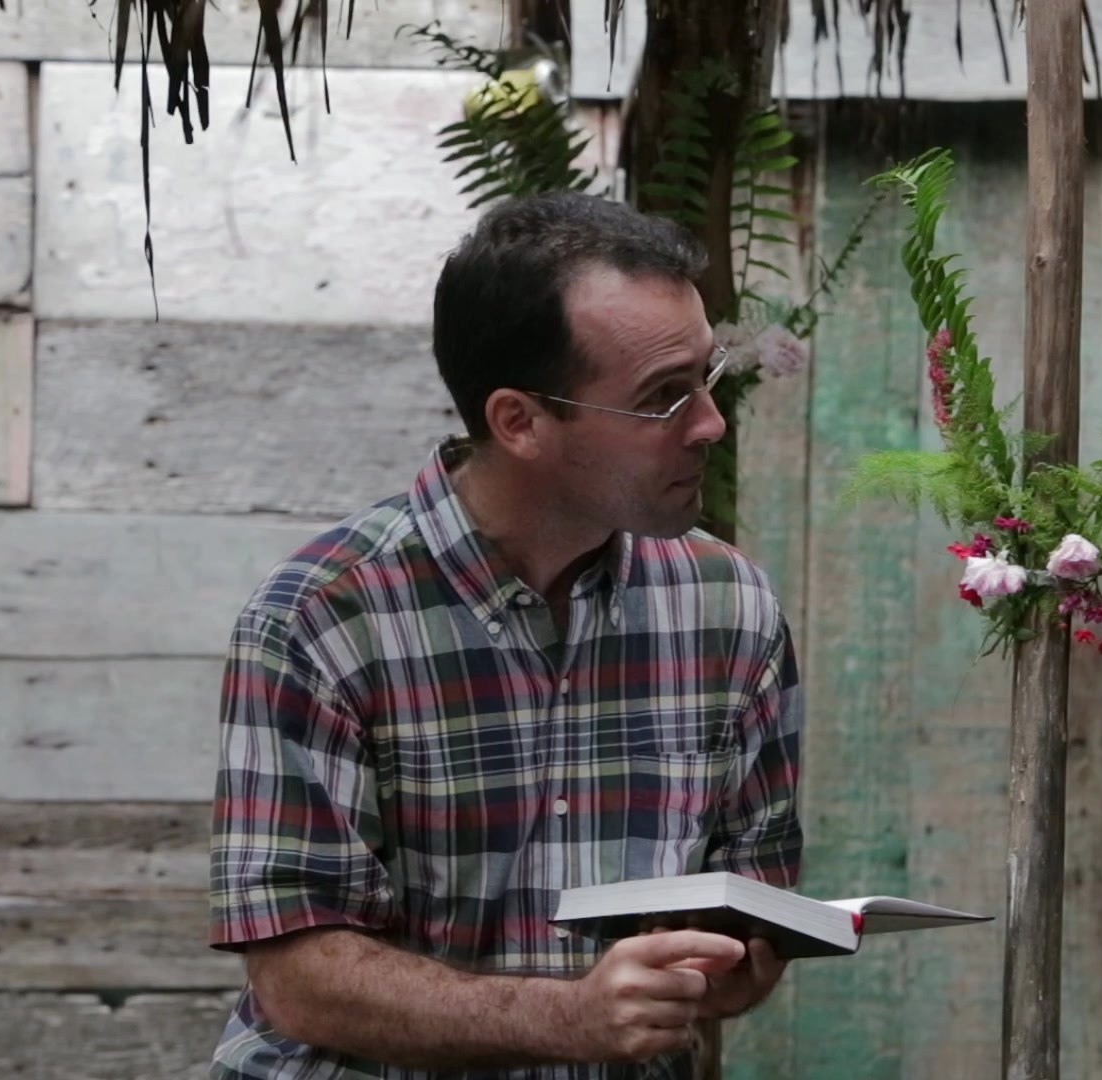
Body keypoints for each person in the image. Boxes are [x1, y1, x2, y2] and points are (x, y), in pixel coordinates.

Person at [206, 192, 805, 1080]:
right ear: (519, 422)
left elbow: (754, 898)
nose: (711, 424)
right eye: (665, 398)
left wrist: (730, 962)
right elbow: (297, 976)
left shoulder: (731, 608)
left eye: (707, 380)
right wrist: (572, 1016)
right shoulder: (322, 618)